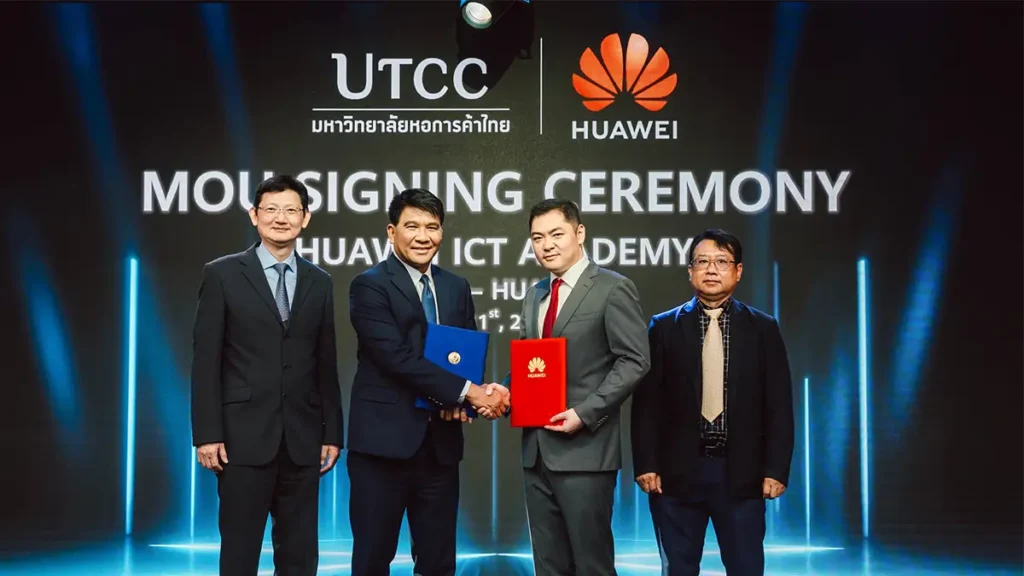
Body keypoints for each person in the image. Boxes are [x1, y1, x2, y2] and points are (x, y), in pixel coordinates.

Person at [346, 188, 509, 576]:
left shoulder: (456, 286)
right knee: (372, 559)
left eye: (432, 227)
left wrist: (466, 400)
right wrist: (469, 393)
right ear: (391, 232)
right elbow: (396, 358)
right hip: (383, 449)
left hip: (439, 448)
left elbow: (465, 355)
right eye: (412, 226)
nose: (423, 236)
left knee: (438, 562)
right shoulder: (369, 285)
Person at [189, 174, 344, 576]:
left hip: (302, 439)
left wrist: (332, 432)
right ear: (254, 215)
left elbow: (325, 362)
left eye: (291, 210)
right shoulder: (222, 274)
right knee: (240, 552)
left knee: (300, 556)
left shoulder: (320, 281)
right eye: (271, 209)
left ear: (305, 218)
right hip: (241, 439)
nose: (281, 218)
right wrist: (206, 433)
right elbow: (205, 360)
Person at [490, 198, 650, 575]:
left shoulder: (613, 287)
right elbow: (532, 363)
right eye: (537, 238)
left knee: (591, 565)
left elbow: (635, 360)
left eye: (556, 234)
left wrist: (585, 412)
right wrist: (506, 391)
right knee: (548, 566)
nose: (546, 245)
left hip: (586, 453)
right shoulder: (534, 295)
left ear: (579, 233)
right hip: (536, 453)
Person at [630, 228, 795, 576]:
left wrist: (776, 469)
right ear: (690, 271)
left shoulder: (763, 329)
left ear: (738, 271)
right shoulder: (663, 327)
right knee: (678, 568)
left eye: (722, 262)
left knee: (746, 567)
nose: (711, 269)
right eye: (702, 261)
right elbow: (647, 404)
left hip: (742, 473)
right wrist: (646, 463)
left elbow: (779, 404)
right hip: (675, 476)